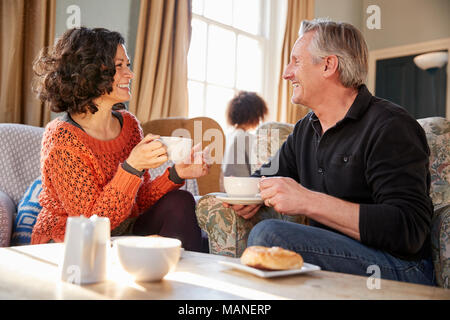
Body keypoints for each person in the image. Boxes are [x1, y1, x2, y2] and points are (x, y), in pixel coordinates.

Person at [224, 18, 435, 285]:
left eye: (296, 61)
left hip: (399, 266)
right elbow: (265, 177)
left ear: (328, 65)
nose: (286, 73)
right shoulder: (305, 130)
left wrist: (308, 200)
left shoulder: (391, 126)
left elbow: (408, 228)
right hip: (334, 252)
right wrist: (243, 193)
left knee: (271, 236)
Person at [31, 27, 210, 252]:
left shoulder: (130, 125)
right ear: (90, 71)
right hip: (70, 241)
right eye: (119, 66)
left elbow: (138, 201)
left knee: (181, 201)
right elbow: (91, 223)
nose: (130, 74)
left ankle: (184, 281)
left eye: (128, 64)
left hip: (120, 229)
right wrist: (132, 167)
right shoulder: (62, 138)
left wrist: (176, 174)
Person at [222, 91, 268, 177]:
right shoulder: (246, 137)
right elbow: (257, 166)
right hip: (244, 184)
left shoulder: (228, 136)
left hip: (227, 184)